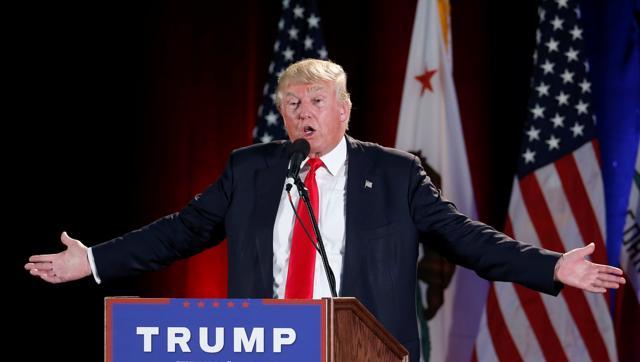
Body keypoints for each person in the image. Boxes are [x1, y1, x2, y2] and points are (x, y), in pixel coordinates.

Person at [25, 58, 625, 361]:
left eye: (315, 100)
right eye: (291, 103)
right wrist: (94, 262)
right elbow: (182, 232)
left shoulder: (393, 174)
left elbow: (463, 237)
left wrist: (550, 267)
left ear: (344, 110)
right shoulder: (251, 168)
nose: (302, 112)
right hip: (265, 348)